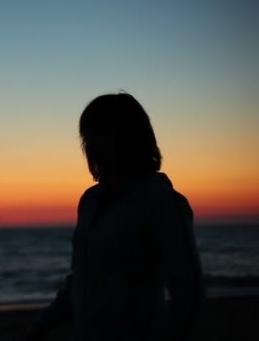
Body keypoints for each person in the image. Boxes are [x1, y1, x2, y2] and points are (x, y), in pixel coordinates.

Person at [24, 93, 205, 341]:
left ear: (130, 138)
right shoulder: (90, 202)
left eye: (100, 135)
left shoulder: (163, 203)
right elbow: (83, 276)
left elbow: (189, 296)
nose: (91, 146)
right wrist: (40, 327)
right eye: (87, 137)